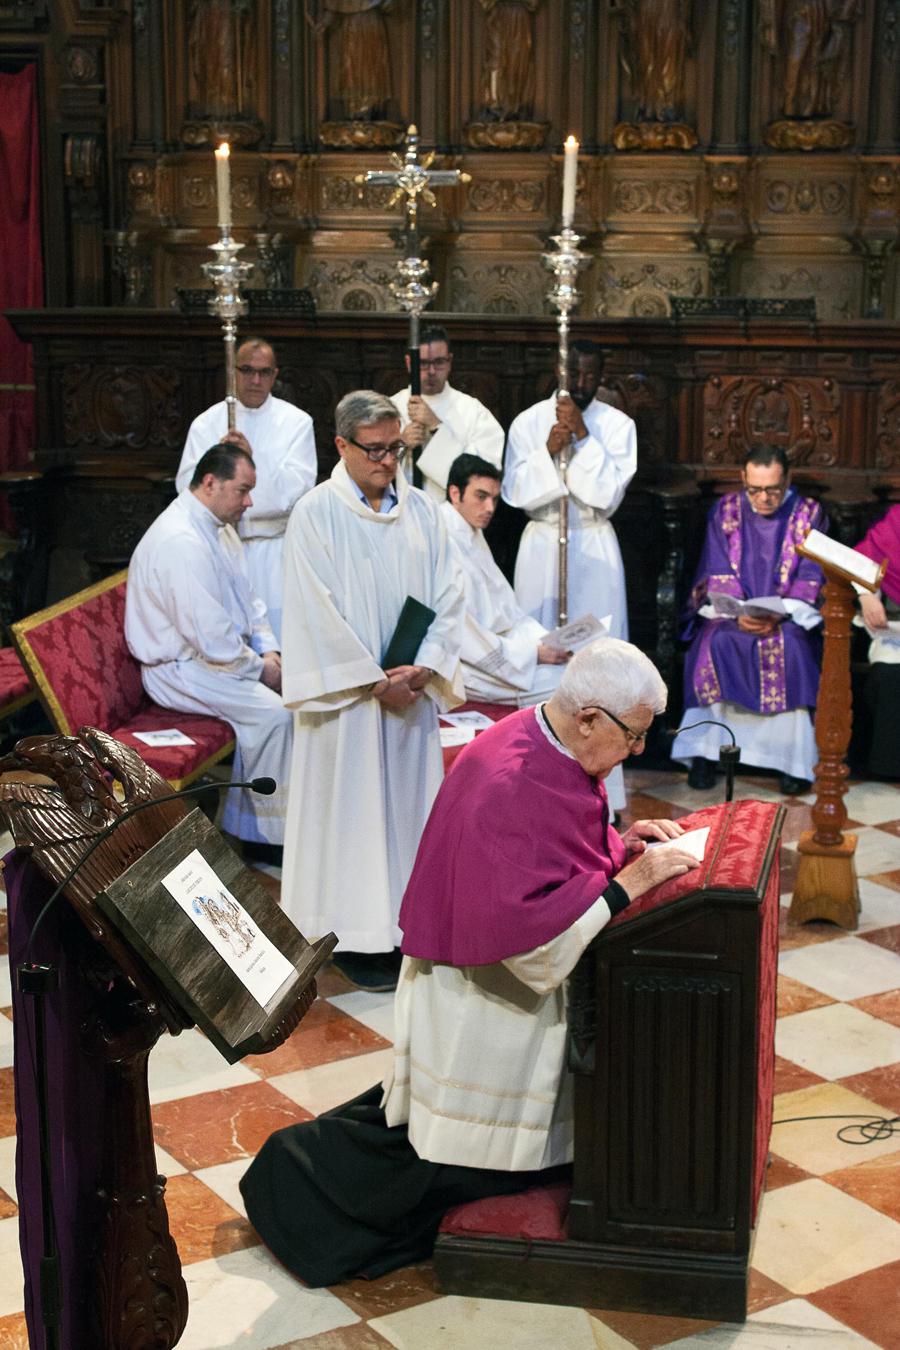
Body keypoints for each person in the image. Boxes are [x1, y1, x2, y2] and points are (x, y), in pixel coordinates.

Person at [239, 639, 699, 1286]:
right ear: (591, 717)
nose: (638, 751)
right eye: (634, 735)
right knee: (437, 1155)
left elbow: (551, 861)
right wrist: (625, 884)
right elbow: (521, 933)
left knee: (437, 1142)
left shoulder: (548, 742)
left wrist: (618, 850)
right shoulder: (509, 779)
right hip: (481, 1001)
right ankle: (294, 1192)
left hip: (489, 995)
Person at [279, 390, 465, 991]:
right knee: (351, 816)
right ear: (341, 446)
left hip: (408, 698)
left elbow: (450, 595)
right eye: (376, 451)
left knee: (407, 813)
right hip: (350, 708)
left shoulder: (425, 513)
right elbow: (315, 611)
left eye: (396, 451)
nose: (388, 463)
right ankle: (350, 934)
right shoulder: (315, 513)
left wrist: (424, 668)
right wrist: (370, 680)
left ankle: (407, 927)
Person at [125, 444, 292, 848]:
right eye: (243, 490)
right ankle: (260, 836)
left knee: (290, 698)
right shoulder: (179, 540)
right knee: (276, 715)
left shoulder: (219, 529)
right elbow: (210, 636)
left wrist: (270, 650)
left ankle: (258, 821)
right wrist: (263, 670)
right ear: (211, 482)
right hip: (177, 670)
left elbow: (251, 600)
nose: (250, 502)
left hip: (214, 660)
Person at [502, 339, 637, 809]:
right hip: (542, 543)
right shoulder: (527, 422)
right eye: (573, 374)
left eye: (590, 376)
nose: (581, 384)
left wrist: (582, 440)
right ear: (558, 370)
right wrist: (547, 451)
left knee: (601, 664)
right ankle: (535, 782)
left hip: (593, 543)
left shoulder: (618, 426)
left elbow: (607, 496)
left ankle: (602, 793)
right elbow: (516, 493)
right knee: (541, 655)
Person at [671, 445, 827, 795]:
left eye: (772, 489)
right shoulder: (726, 510)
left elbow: (811, 573)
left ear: (787, 478)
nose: (764, 498)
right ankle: (706, 753)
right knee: (715, 642)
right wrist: (738, 613)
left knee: (792, 649)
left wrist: (778, 612)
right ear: (743, 478)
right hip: (733, 616)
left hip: (786, 617)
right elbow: (716, 568)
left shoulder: (809, 514)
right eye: (755, 489)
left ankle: (791, 762)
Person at [175, 337, 317, 641]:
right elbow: (186, 487)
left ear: (275, 375)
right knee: (225, 639)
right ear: (233, 371)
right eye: (247, 370)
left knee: (277, 641)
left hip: (273, 553)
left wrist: (252, 460)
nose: (255, 380)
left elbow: (298, 491)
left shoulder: (297, 423)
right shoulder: (206, 424)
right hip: (220, 548)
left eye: (264, 372)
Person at [442, 452, 569, 704]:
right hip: (468, 667)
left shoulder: (471, 532)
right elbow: (462, 631)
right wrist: (532, 654)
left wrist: (545, 642)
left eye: (494, 499)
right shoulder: (442, 539)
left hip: (506, 651)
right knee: (571, 686)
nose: (490, 508)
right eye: (481, 496)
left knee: (579, 669)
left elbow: (507, 608)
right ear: (455, 494)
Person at [390, 324, 504, 503]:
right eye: (424, 363)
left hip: (451, 522)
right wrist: (401, 445)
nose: (432, 371)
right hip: (401, 515)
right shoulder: (390, 408)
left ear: (450, 361)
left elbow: (484, 476)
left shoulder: (473, 412)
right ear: (409, 363)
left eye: (439, 362)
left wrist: (437, 428)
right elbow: (368, 471)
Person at [854, 504, 900, 778]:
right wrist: (866, 595)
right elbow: (859, 560)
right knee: (889, 677)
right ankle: (890, 769)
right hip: (895, 633)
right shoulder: (897, 520)